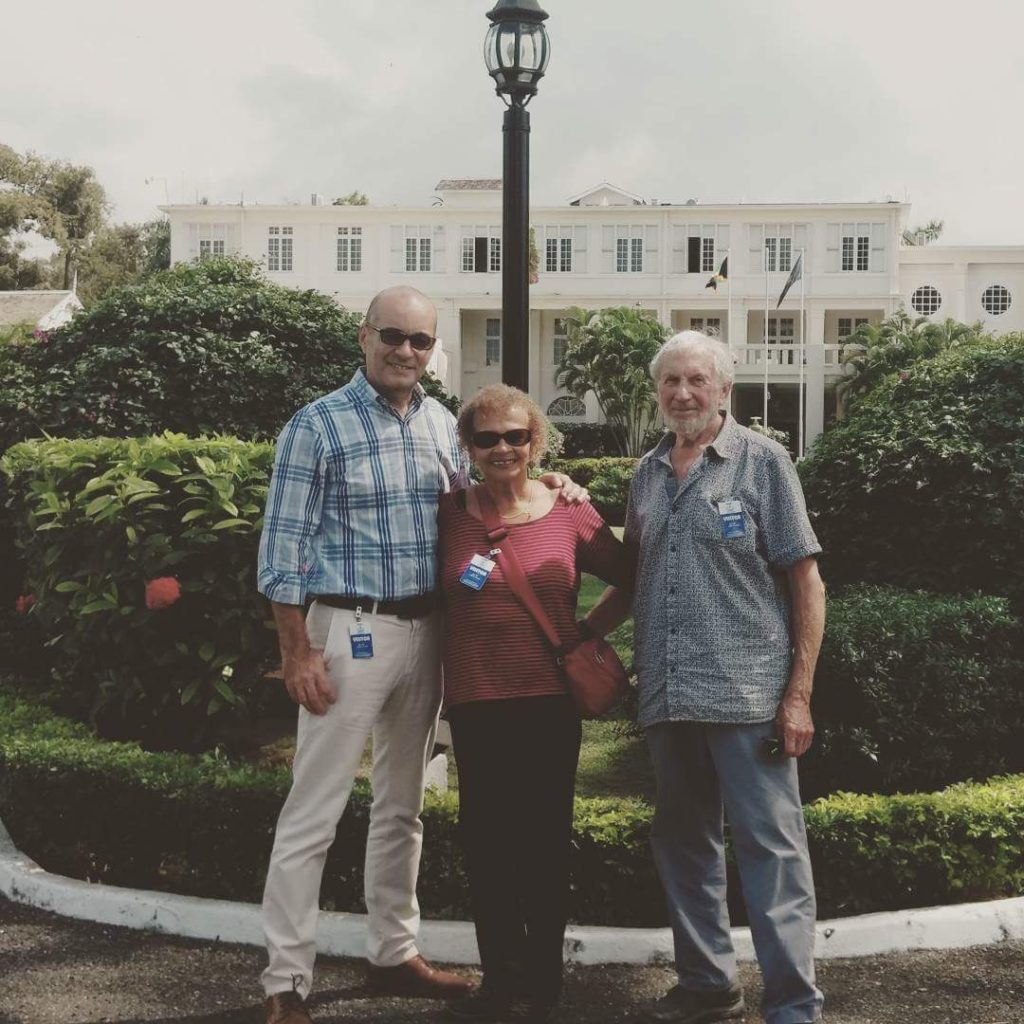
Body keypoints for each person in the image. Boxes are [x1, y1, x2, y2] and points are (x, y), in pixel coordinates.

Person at [256, 288, 586, 1024]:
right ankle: (286, 980)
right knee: (315, 808)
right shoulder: (317, 426)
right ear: (365, 336)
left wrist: (554, 481)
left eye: (419, 340)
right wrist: (297, 649)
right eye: (394, 336)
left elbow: (493, 490)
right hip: (348, 632)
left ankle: (393, 952)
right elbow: (281, 550)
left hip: (430, 632)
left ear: (431, 350)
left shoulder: (443, 425)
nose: (406, 351)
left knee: (403, 805)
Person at [586, 331, 826, 1024]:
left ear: (724, 389)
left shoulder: (763, 462)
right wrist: (575, 638)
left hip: (749, 694)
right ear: (657, 392)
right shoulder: (648, 473)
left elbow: (806, 581)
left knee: (770, 850)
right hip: (669, 691)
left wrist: (799, 695)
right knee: (685, 844)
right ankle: (707, 985)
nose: (683, 394)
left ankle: (793, 1006)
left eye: (697, 381)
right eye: (671, 382)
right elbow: (637, 578)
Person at [436, 385, 634, 1024]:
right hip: (476, 700)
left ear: (535, 442)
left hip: (549, 701)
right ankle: (501, 975)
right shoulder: (449, 513)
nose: (503, 448)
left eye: (516, 437)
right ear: (468, 446)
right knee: (487, 843)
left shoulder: (569, 509)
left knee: (545, 840)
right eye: (488, 438)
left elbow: (633, 576)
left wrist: (588, 634)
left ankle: (544, 980)